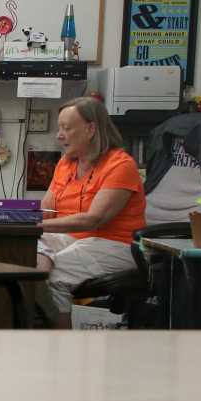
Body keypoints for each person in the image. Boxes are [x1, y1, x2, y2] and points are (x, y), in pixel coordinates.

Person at [36, 96, 146, 327]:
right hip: (70, 240)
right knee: (19, 250)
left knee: (54, 278)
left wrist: (36, 226)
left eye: (67, 128)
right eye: (59, 128)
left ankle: (60, 349)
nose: (59, 135)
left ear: (91, 129)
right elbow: (46, 210)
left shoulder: (120, 165)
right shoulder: (66, 163)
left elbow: (93, 220)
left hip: (116, 245)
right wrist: (10, 218)